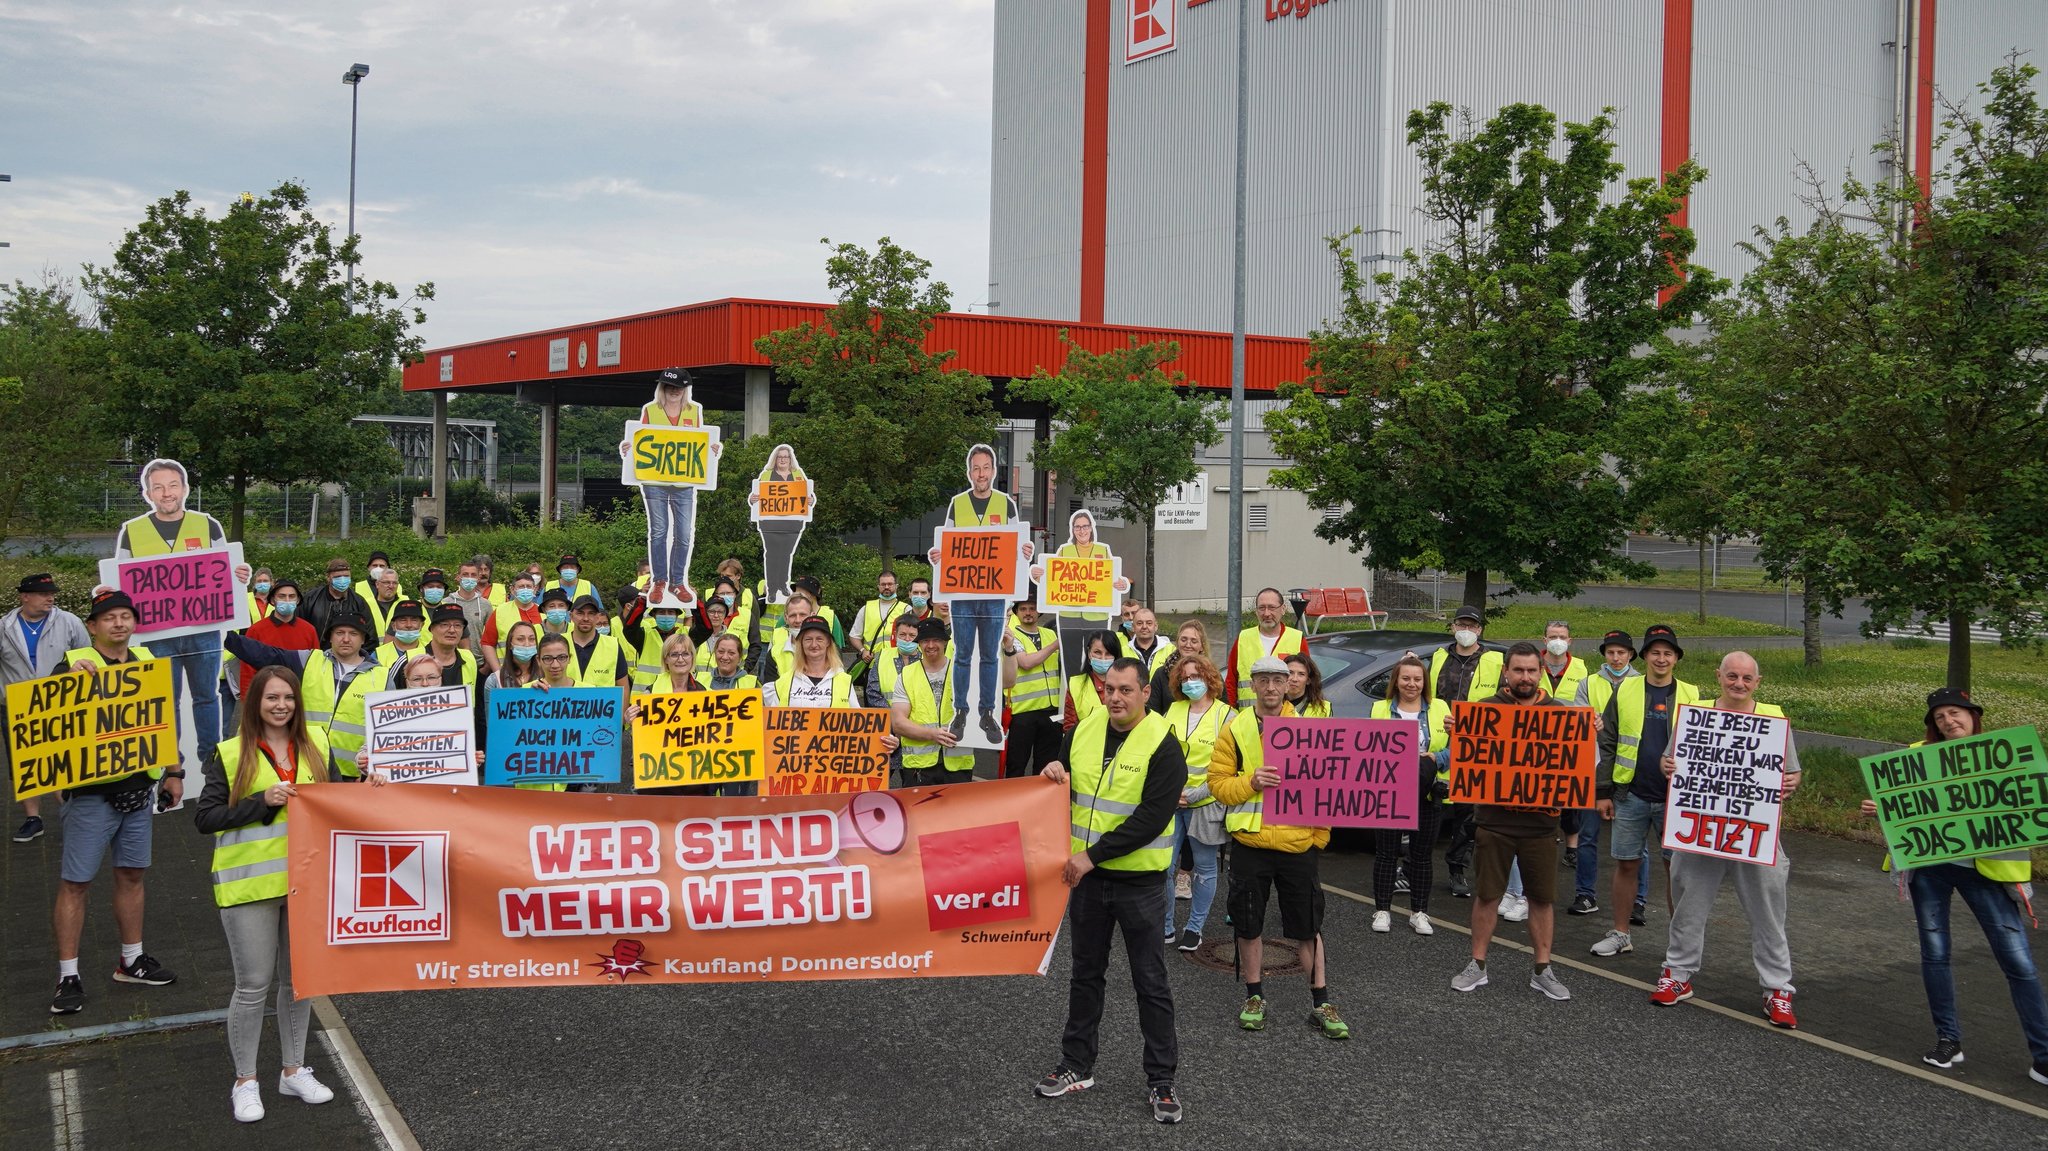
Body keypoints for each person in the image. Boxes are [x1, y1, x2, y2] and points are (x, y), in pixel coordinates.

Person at [1859, 688, 2048, 1082]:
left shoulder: (2004, 755)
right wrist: (1881, 807)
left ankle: (2043, 1054)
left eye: (1955, 712)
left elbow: (2028, 806)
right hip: (1930, 867)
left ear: (1973, 716)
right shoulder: (1915, 756)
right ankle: (1949, 1040)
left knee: (2018, 963)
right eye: (1940, 716)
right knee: (1935, 953)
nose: (1948, 721)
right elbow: (1902, 805)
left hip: (1988, 873)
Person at [1035, 657, 1184, 1124]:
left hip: (1138, 883)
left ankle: (1162, 1082)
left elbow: (1150, 819)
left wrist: (1090, 856)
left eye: (1125, 689)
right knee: (1085, 975)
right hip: (1088, 881)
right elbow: (1068, 782)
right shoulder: (1085, 729)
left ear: (1145, 692)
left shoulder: (1163, 743)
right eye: (1109, 688)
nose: (1115, 697)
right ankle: (1076, 1066)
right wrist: (1054, 772)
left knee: (1151, 984)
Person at [194, 665, 337, 1122]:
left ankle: (293, 1069)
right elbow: (205, 818)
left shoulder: (317, 743)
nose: (281, 706)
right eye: (272, 698)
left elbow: (335, 804)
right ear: (254, 702)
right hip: (250, 886)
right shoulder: (231, 751)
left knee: (299, 984)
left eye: (289, 698)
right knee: (253, 987)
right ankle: (246, 1080)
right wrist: (262, 803)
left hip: (306, 885)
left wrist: (368, 784)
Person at [1652, 651, 1802, 1027]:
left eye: (1746, 679)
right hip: (1701, 832)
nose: (1739, 684)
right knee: (1688, 905)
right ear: (1718, 675)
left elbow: (1793, 774)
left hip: (1755, 835)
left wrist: (1793, 781)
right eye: (1732, 676)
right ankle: (1678, 974)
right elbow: (1669, 762)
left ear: (1758, 682)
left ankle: (1778, 989)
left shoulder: (1773, 718)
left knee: (1768, 912)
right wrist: (1666, 765)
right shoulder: (1696, 714)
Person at [49, 591, 178, 1015]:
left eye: (126, 617)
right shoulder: (72, 663)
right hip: (90, 797)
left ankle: (131, 960)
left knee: (131, 876)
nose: (119, 624)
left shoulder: (146, 661)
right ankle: (68, 975)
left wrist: (173, 773)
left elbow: (164, 720)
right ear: (93, 626)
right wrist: (68, 683)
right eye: (109, 618)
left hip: (139, 792)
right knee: (75, 884)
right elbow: (42, 718)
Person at [1208, 655, 1349, 1039]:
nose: (1270, 687)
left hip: (1296, 844)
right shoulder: (1234, 729)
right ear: (1251, 685)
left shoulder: (1308, 729)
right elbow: (1218, 784)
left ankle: (1321, 1002)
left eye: (1278, 680)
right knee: (1248, 923)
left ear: (1289, 684)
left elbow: (1324, 791)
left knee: (1308, 927)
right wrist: (1250, 782)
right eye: (1263, 680)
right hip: (1250, 842)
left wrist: (1318, 837)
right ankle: (1254, 997)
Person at [111, 458, 249, 782]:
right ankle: (172, 764)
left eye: (172, 485)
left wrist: (238, 574)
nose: (166, 492)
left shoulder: (208, 525)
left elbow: (224, 572)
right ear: (148, 493)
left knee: (206, 697)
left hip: (204, 630)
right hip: (157, 633)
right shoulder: (132, 531)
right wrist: (108, 590)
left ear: (184, 489)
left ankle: (209, 758)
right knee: (166, 701)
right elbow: (122, 580)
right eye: (158, 487)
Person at [1448, 643, 1573, 1001]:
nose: (1525, 677)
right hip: (1494, 822)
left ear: (1541, 672)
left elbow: (1578, 762)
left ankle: (1542, 969)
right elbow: (1465, 761)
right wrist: (1459, 731)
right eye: (1518, 670)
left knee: (1542, 899)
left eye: (1532, 671)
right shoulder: (1485, 710)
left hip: (1541, 825)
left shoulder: (1559, 713)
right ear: (1506, 672)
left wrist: (1589, 730)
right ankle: (1477, 964)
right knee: (1488, 895)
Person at [1590, 623, 1700, 958]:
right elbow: (1608, 742)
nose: (1662, 658)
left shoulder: (1692, 695)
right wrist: (1603, 790)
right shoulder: (1625, 690)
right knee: (1626, 863)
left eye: (1668, 653)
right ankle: (1621, 933)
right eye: (1656, 652)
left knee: (1676, 870)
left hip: (1675, 798)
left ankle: (1678, 942)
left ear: (1676, 658)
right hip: (1630, 794)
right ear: (1646, 656)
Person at [926, 443, 1033, 744]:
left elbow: (1017, 548)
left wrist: (1026, 551)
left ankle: (987, 714)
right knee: (962, 655)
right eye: (976, 468)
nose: (981, 473)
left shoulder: (1007, 504)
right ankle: (961, 712)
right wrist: (937, 555)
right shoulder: (956, 504)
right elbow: (945, 546)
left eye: (986, 468)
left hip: (994, 595)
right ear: (969, 472)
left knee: (989, 656)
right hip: (962, 594)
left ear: (993, 471)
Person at [227, 609, 385, 780]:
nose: (346, 639)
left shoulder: (382, 677)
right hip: (305, 765)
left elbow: (385, 731)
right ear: (330, 637)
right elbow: (263, 654)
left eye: (353, 633)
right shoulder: (308, 660)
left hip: (351, 774)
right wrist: (223, 636)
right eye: (339, 632)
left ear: (363, 639)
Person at [4, 573, 90, 842]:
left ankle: (72, 816)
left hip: (60, 705)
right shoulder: (4, 626)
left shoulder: (69, 622)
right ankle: (33, 819)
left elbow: (87, 656)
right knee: (24, 764)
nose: (50, 597)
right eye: (43, 593)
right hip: (17, 707)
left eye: (52, 593)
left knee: (62, 761)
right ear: (25, 596)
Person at [1568, 629, 1647, 917]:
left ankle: (1638, 900)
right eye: (1611, 652)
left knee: (1636, 843)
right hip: (1594, 769)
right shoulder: (1588, 683)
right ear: (1604, 654)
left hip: (1631, 773)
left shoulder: (1641, 683)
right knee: (1588, 836)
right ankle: (1585, 894)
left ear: (1630, 655)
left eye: (1621, 653)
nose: (1616, 658)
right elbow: (1577, 720)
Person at [1371, 655, 1451, 935]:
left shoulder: (1442, 708)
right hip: (1389, 792)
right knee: (1386, 854)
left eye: (1418, 679)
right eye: (1406, 678)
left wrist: (1436, 758)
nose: (1411, 684)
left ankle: (1420, 912)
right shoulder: (1379, 709)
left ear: (1425, 682)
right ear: (1396, 681)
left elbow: (1458, 749)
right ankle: (1382, 910)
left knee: (1421, 855)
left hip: (1430, 794)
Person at [1433, 603, 1505, 899]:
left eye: (1471, 626)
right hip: (1439, 740)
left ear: (1480, 630)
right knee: (1431, 806)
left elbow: (1505, 703)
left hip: (1477, 744)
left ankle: (1456, 868)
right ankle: (1413, 867)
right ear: (1453, 627)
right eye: (1461, 624)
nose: (1466, 630)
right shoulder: (1439, 657)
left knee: (1467, 811)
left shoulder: (1496, 661)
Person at [624, 368, 714, 604]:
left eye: (679, 387)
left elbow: (699, 443)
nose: (674, 391)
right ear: (662, 389)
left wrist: (712, 449)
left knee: (684, 534)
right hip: (655, 481)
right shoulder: (650, 410)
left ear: (685, 390)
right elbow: (639, 439)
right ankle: (660, 581)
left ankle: (677, 582)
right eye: (669, 387)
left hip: (684, 481)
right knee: (659, 531)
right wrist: (628, 448)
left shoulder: (694, 411)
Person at [1161, 653, 1231, 952]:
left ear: (1210, 679)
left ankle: (1194, 927)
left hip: (1205, 803)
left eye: (1197, 676)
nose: (1191, 682)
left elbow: (1229, 767)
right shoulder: (1172, 710)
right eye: (1185, 677)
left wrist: (1197, 793)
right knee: (1164, 866)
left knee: (1204, 868)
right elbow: (1159, 754)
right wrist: (1171, 790)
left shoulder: (1226, 715)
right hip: (1171, 801)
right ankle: (1165, 925)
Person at [891, 618, 976, 786]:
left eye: (936, 640)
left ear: (945, 642)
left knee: (958, 813)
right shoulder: (906, 675)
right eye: (925, 640)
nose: (930, 645)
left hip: (958, 764)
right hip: (919, 768)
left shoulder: (963, 672)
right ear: (919, 644)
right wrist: (932, 734)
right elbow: (898, 723)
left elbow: (1007, 682)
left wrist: (1008, 650)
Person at [1034, 508, 1118, 674]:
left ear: (1091, 528)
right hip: (1069, 615)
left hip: (1096, 614)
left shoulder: (1103, 550)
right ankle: (1072, 694)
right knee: (1070, 659)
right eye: (1077, 527)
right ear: (1072, 530)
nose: (1082, 530)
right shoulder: (1065, 551)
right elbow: (1053, 578)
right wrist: (1039, 576)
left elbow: (1111, 578)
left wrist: (1120, 584)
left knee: (1095, 656)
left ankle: (1092, 690)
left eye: (1085, 526)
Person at [1004, 598, 1062, 779]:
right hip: (1024, 711)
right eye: (1023, 609)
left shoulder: (1050, 634)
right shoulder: (1012, 635)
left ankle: (1041, 805)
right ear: (1016, 612)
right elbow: (1026, 662)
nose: (1028, 612)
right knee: (1017, 764)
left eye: (1032, 608)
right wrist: (1056, 645)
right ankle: (1013, 805)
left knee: (1046, 766)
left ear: (1039, 612)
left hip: (1051, 710)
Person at [750, 443, 811, 605]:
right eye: (780, 456)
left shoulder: (798, 474)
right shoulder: (767, 475)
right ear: (775, 459)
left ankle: (783, 584)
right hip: (770, 524)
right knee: (772, 554)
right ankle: (772, 589)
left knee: (786, 554)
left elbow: (806, 495)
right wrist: (752, 499)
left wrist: (810, 500)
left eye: (786, 457)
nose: (783, 459)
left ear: (791, 459)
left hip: (793, 524)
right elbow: (755, 495)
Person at [1225, 587, 1304, 706]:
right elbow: (1231, 681)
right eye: (1262, 608)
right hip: (1248, 719)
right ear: (1256, 611)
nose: (1266, 613)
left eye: (1272, 607)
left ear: (1283, 609)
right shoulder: (1243, 638)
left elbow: (1307, 683)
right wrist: (1231, 713)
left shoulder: (1297, 639)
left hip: (1284, 719)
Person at [481, 571, 544, 674]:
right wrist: (498, 672)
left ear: (535, 589)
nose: (525, 589)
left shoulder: (543, 613)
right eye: (521, 587)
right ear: (513, 590)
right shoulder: (501, 611)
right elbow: (487, 643)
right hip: (506, 672)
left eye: (528, 586)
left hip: (537, 674)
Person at [405, 604, 480, 689]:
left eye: (457, 625)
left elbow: (477, 699)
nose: (452, 630)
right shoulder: (409, 659)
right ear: (432, 629)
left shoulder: (469, 658)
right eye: (445, 625)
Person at [563, 595, 631, 691]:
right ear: (571, 616)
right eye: (580, 613)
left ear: (598, 617)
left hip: (603, 706)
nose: (586, 618)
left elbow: (623, 687)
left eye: (591, 613)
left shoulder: (613, 645)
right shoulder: (559, 643)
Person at [847, 570, 909, 669]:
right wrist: (863, 651)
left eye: (890, 584)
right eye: (883, 584)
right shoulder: (866, 608)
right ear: (878, 586)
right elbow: (854, 636)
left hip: (898, 664)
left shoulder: (906, 609)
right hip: (872, 664)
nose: (887, 587)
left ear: (896, 586)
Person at [1063, 631, 1122, 732]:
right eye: (1097, 652)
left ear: (1116, 656)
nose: (1103, 658)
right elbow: (1070, 728)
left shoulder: (1128, 683)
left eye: (1108, 653)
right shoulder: (1076, 685)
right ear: (1089, 653)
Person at [1148, 619, 1209, 714]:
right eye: (1184, 639)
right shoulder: (1161, 674)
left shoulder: (1211, 674)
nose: (1188, 645)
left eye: (1194, 641)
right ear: (1177, 642)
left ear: (1202, 646)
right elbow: (1152, 712)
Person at [303, 558, 358, 639]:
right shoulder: (311, 599)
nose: (342, 580)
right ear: (328, 577)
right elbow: (299, 627)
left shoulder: (358, 602)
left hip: (348, 650)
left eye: (346, 576)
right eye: (338, 577)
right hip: (316, 650)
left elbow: (369, 636)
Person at [451, 557, 493, 660]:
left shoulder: (486, 605)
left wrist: (486, 666)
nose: (469, 578)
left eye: (473, 575)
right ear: (458, 577)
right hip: (452, 661)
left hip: (480, 663)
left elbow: (491, 636)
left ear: (478, 578)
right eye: (465, 575)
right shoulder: (446, 603)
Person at [695, 633, 759, 693]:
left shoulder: (752, 684)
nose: (725, 657)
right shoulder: (697, 680)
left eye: (731, 653)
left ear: (740, 657)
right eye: (721, 652)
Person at [1120, 607, 1171, 680]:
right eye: (1139, 623)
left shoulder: (1170, 650)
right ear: (1133, 627)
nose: (1144, 627)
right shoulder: (1123, 651)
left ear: (1155, 626)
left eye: (1149, 623)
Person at [1283, 651, 1331, 718]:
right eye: (1290, 672)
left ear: (1308, 680)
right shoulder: (1270, 703)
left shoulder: (1323, 709)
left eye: (1301, 674)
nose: (1294, 679)